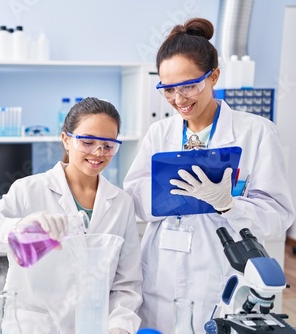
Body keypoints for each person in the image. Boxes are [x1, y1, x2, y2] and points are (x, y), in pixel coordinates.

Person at [123, 17, 295, 333]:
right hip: (160, 271)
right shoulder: (160, 132)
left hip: (220, 275)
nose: (179, 99)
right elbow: (132, 195)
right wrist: (167, 198)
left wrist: (229, 204)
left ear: (214, 76)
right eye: (168, 89)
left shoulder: (256, 133)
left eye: (189, 85)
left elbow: (278, 215)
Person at [0, 97, 143, 333]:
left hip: (92, 327)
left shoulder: (121, 204)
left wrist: (120, 326)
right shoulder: (29, 190)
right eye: (87, 142)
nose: (98, 152)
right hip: (33, 327)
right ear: (66, 139)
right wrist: (18, 228)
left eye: (108, 145)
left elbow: (127, 284)